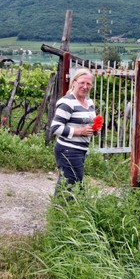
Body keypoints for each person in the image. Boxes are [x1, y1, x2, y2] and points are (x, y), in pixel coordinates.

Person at [51, 68, 98, 197]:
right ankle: (67, 211)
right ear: (74, 82)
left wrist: (94, 129)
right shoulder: (67, 102)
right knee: (73, 184)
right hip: (68, 149)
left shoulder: (89, 103)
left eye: (88, 84)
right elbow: (55, 128)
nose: (85, 86)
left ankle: (59, 210)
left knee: (69, 182)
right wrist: (79, 131)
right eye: (82, 83)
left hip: (80, 150)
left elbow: (87, 124)